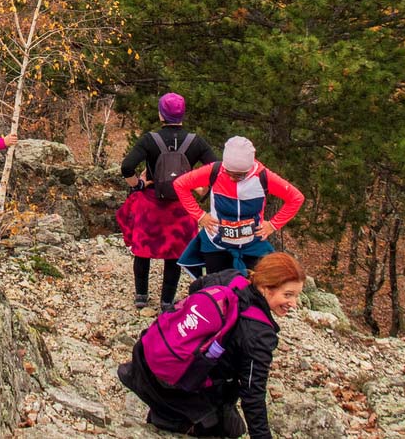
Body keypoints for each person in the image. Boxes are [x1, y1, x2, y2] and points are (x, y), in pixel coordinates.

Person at [117, 252, 305, 438]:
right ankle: (173, 418)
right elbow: (252, 394)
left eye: (296, 295)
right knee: (232, 430)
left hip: (146, 354)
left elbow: (195, 287)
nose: (293, 303)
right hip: (175, 385)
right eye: (288, 294)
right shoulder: (259, 334)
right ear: (266, 287)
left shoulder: (232, 277)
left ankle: (164, 407)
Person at [117, 93, 216, 312]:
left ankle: (141, 297)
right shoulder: (195, 141)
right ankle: (167, 302)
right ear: (183, 114)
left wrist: (139, 185)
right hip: (181, 207)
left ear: (161, 114)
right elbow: (215, 168)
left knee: (142, 250)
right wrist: (200, 189)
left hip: (151, 204)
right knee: (175, 254)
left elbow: (126, 167)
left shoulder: (149, 140)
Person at [174, 136, 304, 274]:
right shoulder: (215, 171)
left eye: (239, 176)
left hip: (252, 246)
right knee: (217, 289)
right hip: (216, 244)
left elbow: (296, 198)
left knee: (254, 290)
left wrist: (273, 225)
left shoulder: (263, 177)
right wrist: (200, 215)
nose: (232, 178)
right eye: (228, 172)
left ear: (250, 167)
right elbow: (180, 184)